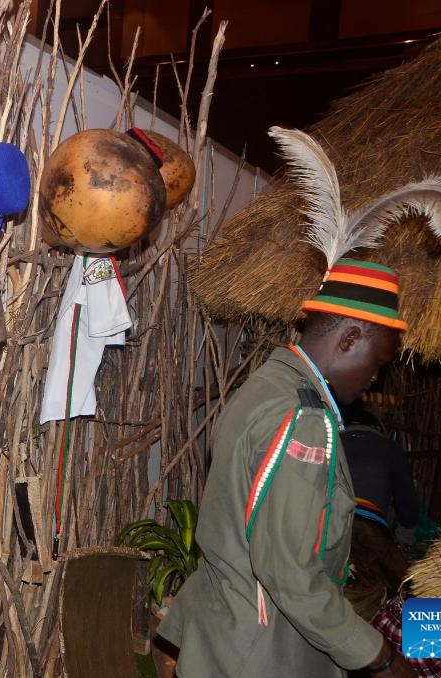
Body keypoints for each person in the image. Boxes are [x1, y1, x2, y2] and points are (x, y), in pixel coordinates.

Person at [157, 259, 414, 677]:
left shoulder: (263, 388)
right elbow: (291, 573)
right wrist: (378, 657)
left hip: (227, 635)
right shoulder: (304, 420)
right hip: (261, 652)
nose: (375, 378)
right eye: (379, 362)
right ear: (350, 338)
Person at [341, 398, 418, 614]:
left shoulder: (333, 441)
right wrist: (405, 540)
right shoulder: (390, 449)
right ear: (375, 428)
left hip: (334, 521)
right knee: (403, 587)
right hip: (371, 527)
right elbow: (407, 502)